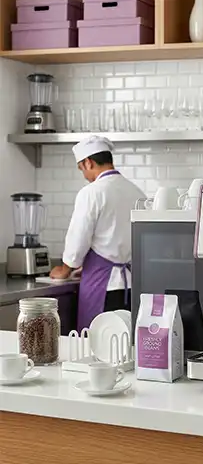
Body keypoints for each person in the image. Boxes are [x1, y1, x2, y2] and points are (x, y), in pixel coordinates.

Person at [50, 135, 146, 330]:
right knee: (126, 341)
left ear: (88, 162)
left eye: (81, 168)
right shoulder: (136, 192)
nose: (84, 175)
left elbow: (79, 238)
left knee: (97, 341)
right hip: (132, 285)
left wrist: (66, 268)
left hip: (103, 285)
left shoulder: (91, 192)